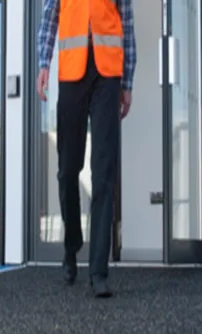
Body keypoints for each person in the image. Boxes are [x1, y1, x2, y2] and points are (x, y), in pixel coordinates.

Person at [37, 0, 136, 298]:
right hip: (71, 74)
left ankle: (98, 271)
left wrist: (127, 80)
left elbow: (127, 25)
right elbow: (49, 17)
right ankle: (71, 244)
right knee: (68, 170)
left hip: (107, 75)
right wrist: (44, 63)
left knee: (104, 172)